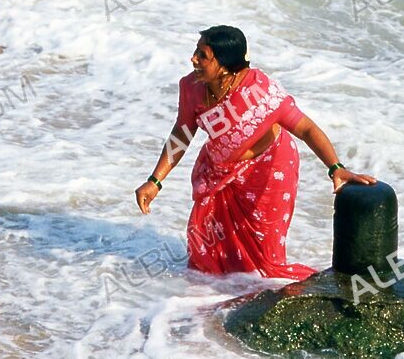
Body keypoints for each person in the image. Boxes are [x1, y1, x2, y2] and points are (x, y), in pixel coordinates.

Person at [134, 25, 377, 279]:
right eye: (196, 52)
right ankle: (214, 302)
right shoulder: (191, 87)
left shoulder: (259, 91)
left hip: (269, 171)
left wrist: (336, 168)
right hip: (221, 173)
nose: (193, 59)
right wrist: (155, 181)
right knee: (206, 250)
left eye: (203, 55)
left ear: (226, 66)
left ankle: (262, 299)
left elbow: (305, 128)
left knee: (264, 260)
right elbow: (182, 133)